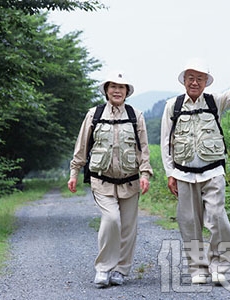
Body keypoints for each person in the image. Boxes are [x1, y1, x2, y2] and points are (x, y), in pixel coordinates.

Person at [160, 51, 230, 285]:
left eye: (200, 78)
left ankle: (219, 266)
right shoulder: (173, 106)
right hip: (183, 174)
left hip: (213, 172)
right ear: (184, 80)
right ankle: (197, 270)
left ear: (206, 82)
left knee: (217, 218)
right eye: (190, 77)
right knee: (189, 222)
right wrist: (170, 173)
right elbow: (165, 142)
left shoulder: (215, 101)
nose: (195, 82)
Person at [68, 71, 153, 288]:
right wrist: (74, 173)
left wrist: (145, 174)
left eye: (121, 87)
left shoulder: (136, 115)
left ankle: (121, 270)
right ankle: (104, 268)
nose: (117, 90)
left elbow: (143, 148)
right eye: (113, 86)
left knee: (128, 227)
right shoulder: (94, 115)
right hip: (101, 181)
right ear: (106, 90)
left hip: (130, 181)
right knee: (112, 220)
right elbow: (82, 146)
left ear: (127, 92)